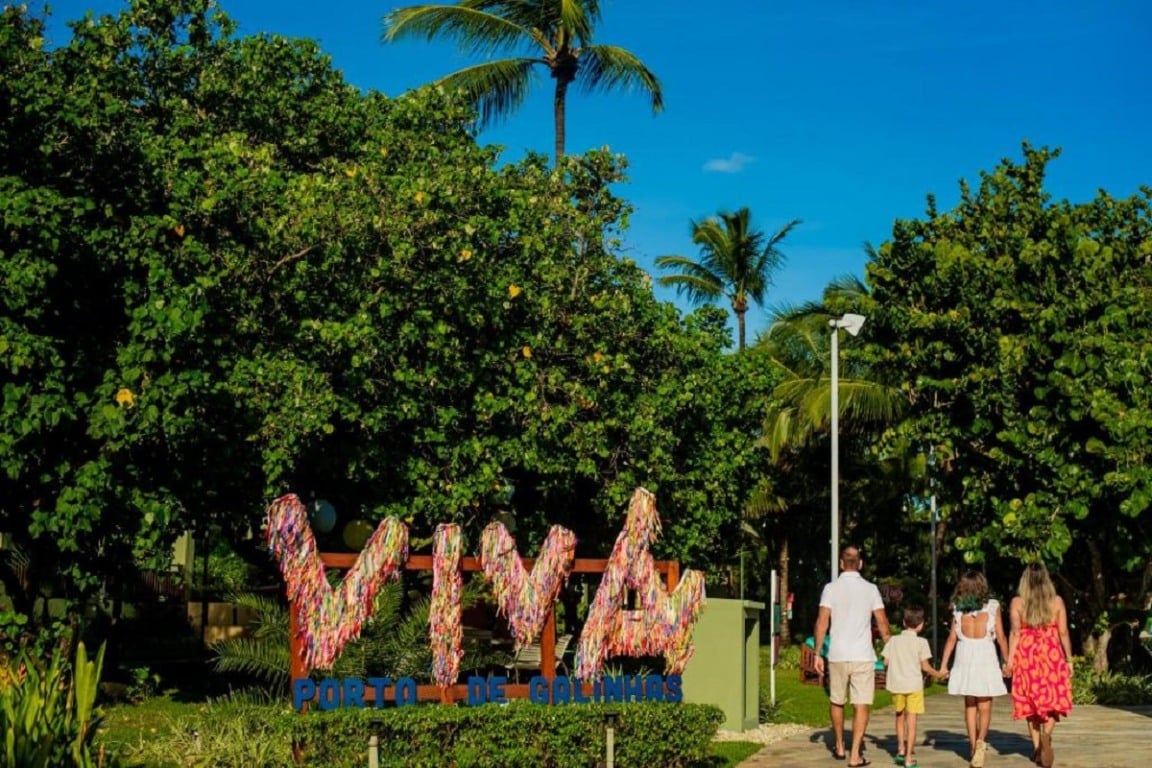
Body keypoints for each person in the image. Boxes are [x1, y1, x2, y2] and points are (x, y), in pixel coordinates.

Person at [813, 546, 892, 767]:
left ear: (841, 563)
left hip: (837, 654)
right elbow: (882, 623)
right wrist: (890, 650)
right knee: (861, 704)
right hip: (862, 655)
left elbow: (822, 622)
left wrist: (818, 652)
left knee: (837, 700)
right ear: (860, 564)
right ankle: (855, 754)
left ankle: (839, 745)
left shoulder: (830, 588)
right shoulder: (871, 589)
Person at [1003, 562, 1073, 768]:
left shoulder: (1017, 602)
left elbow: (1015, 632)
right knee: (1053, 700)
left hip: (1027, 655)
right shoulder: (1057, 601)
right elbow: (1063, 632)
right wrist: (1069, 659)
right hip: (1051, 654)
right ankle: (1047, 736)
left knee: (1030, 702)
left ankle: (1036, 748)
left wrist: (1010, 661)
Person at [938, 570, 1009, 768]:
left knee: (970, 705)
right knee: (985, 705)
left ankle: (972, 746)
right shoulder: (993, 606)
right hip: (985, 655)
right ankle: (980, 742)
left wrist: (944, 665)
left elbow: (952, 639)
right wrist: (1007, 661)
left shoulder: (958, 610)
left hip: (965, 657)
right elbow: (1001, 637)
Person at [882, 606, 948, 767]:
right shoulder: (922, 642)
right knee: (912, 721)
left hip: (897, 684)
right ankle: (909, 759)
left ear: (904, 622)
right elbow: (925, 667)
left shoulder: (893, 641)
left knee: (899, 716)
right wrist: (939, 674)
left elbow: (886, 662)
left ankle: (900, 749)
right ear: (921, 625)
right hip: (914, 686)